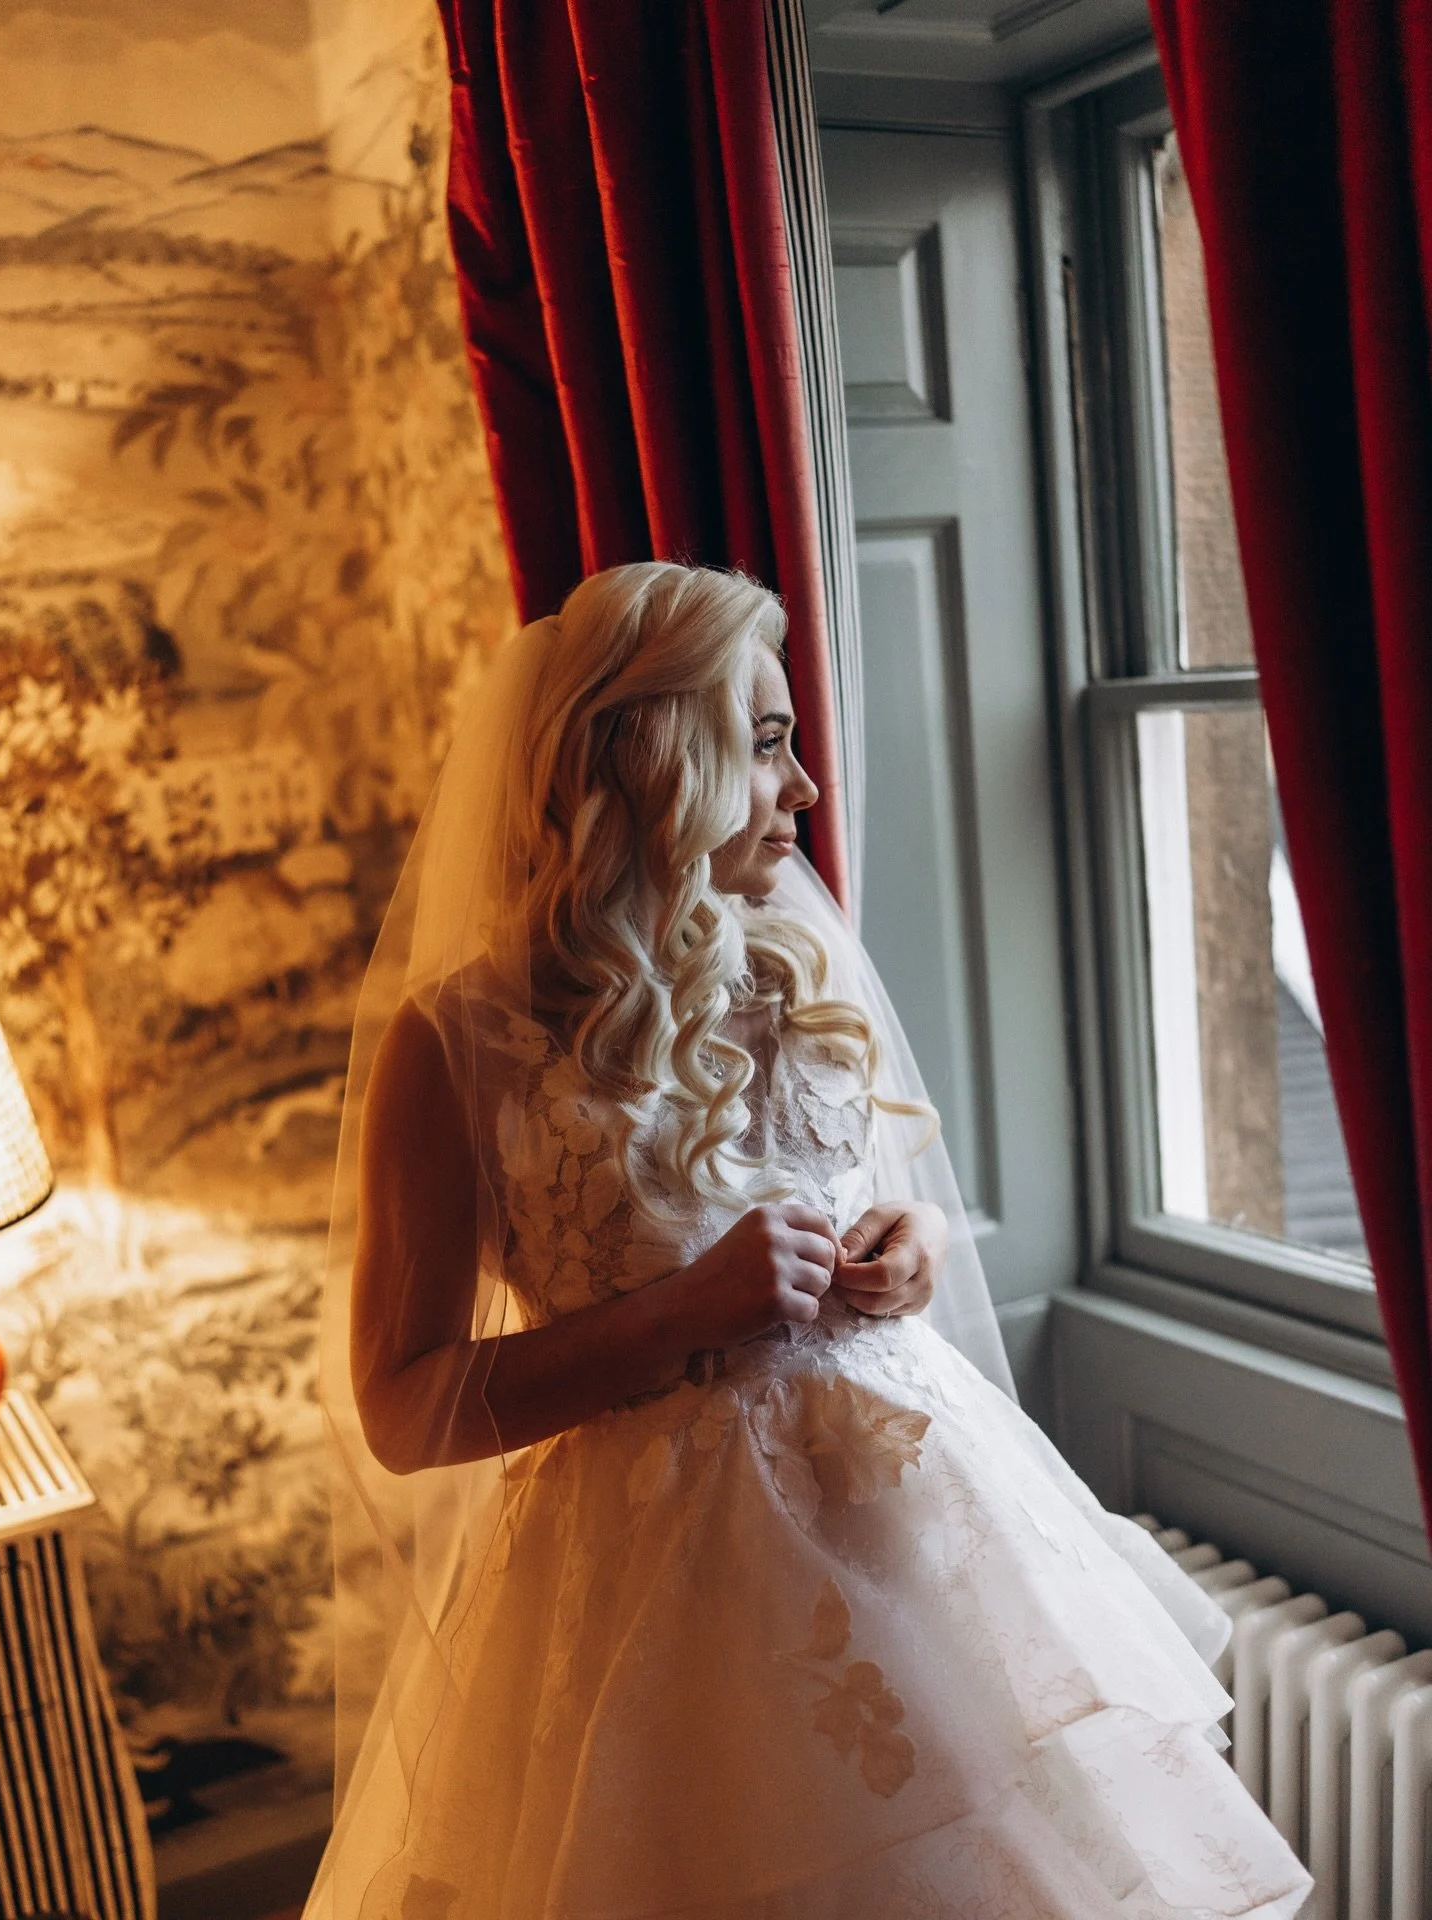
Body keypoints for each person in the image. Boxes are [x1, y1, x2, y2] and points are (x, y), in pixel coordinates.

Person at [307, 562, 1310, 1919]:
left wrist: (913, 1244)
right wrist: (677, 1315)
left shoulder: (795, 953)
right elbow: (405, 1408)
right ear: (661, 754)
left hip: (917, 1546)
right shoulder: (460, 1043)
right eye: (768, 743)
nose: (805, 789)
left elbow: (868, 1188)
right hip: (665, 1614)